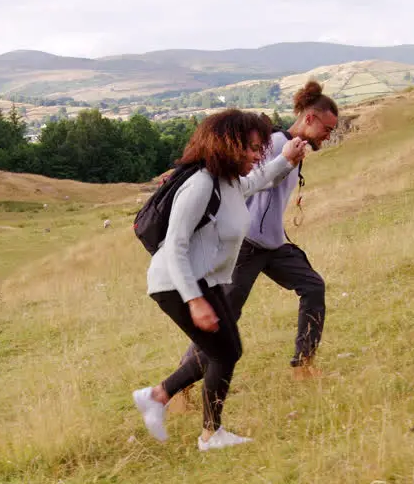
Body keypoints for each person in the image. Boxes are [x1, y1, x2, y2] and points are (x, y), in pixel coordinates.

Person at [132, 110, 310, 451]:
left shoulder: (226, 181)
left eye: (261, 149)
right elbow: (177, 246)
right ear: (229, 144)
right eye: (253, 148)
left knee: (225, 350)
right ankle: (207, 432)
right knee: (224, 353)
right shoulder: (200, 184)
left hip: (202, 281)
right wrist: (194, 300)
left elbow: (257, 181)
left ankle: (160, 397)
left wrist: (286, 159)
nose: (259, 156)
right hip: (176, 283)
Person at [167, 81, 338, 415]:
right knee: (221, 323)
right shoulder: (276, 143)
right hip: (247, 247)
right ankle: (177, 389)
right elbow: (246, 187)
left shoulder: (294, 146)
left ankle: (303, 364)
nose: (328, 136)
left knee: (312, 286)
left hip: (273, 245)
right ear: (309, 118)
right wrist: (285, 163)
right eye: (327, 129)